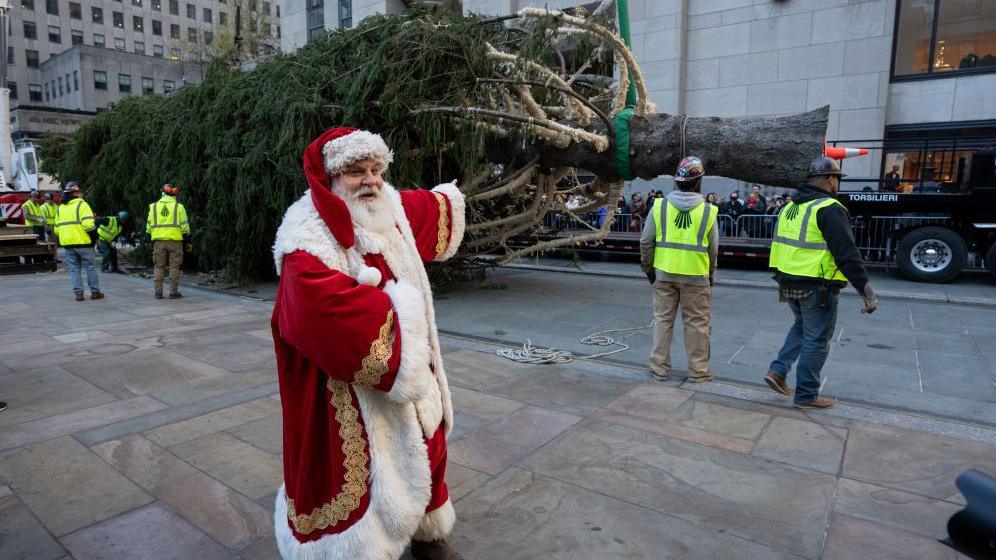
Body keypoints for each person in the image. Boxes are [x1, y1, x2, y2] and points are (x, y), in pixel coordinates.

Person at [270, 128, 467, 560]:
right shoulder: (305, 239)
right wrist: (399, 321)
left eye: (376, 170)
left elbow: (428, 208)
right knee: (359, 476)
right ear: (331, 179)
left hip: (415, 383)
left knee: (427, 445)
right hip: (347, 392)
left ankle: (427, 534)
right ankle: (358, 551)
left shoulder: (385, 207)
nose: (371, 180)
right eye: (357, 172)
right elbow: (318, 311)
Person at [765, 157, 878, 409]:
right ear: (830, 179)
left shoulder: (790, 207)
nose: (837, 183)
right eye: (837, 178)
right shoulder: (829, 208)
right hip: (816, 286)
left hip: (787, 280)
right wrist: (866, 291)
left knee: (802, 327)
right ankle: (806, 394)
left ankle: (778, 371)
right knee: (817, 339)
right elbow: (847, 253)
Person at [640, 156, 718, 383]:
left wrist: (648, 269)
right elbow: (713, 250)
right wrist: (711, 274)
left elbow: (646, 241)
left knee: (663, 321)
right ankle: (698, 371)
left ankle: (659, 368)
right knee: (697, 325)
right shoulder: (708, 211)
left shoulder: (660, 206)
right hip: (696, 276)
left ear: (677, 181)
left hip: (664, 274)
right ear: (699, 181)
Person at [55, 182, 103, 301]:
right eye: (80, 192)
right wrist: (96, 238)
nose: (82, 194)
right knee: (90, 267)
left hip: (68, 244)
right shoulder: (82, 204)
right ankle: (95, 292)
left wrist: (67, 236)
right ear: (75, 192)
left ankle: (78, 294)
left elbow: (56, 229)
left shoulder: (61, 208)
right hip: (84, 243)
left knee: (74, 269)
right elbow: (88, 226)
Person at [147, 183, 190, 299]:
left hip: (158, 241)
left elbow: (149, 227)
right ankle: (173, 292)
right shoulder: (179, 207)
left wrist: (151, 239)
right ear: (174, 193)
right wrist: (188, 241)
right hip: (175, 241)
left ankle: (158, 293)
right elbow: (185, 227)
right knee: (174, 267)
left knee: (159, 267)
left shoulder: (153, 207)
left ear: (162, 192)